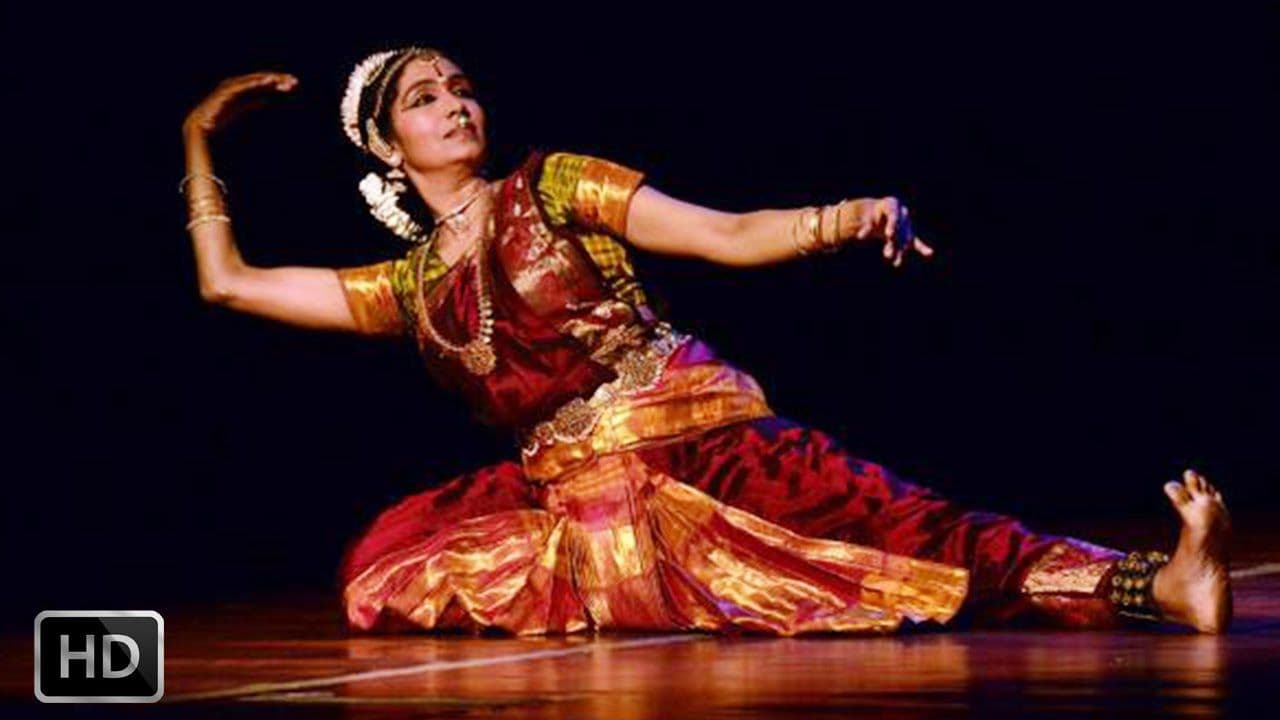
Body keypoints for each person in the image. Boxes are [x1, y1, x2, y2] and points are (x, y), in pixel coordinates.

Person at [181, 46, 1232, 636]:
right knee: (381, 562)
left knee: (907, 532)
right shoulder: (409, 286)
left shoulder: (553, 183)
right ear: (384, 145)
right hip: (573, 495)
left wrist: (843, 215)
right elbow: (226, 285)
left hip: (697, 443)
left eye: (461, 87)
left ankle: (1152, 583)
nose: (456, 103)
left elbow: (722, 235)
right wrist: (195, 144)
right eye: (424, 98)